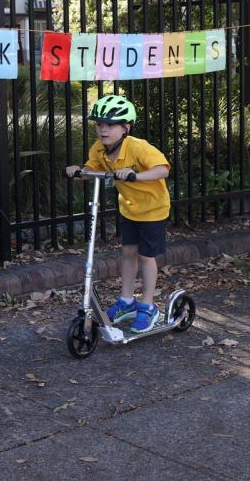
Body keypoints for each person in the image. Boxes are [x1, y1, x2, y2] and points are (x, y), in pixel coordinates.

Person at [65, 94, 171, 334]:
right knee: (128, 253)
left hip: (153, 209)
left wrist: (135, 175)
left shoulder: (138, 147)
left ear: (126, 127)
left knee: (146, 257)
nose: (104, 130)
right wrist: (78, 171)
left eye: (111, 124)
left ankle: (148, 306)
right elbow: (90, 170)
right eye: (100, 124)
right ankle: (126, 301)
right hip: (130, 208)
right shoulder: (100, 149)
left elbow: (162, 170)